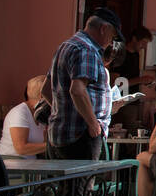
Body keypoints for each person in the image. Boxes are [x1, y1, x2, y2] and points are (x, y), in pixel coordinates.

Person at [45, 8, 123, 160]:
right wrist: (92, 123)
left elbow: (47, 90)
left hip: (58, 135)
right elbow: (77, 90)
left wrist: (63, 110)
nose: (110, 43)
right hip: (80, 137)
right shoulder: (87, 50)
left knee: (65, 184)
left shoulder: (65, 46)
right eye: (112, 36)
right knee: (81, 183)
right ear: (103, 29)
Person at [0, 75, 49, 160]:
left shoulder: (41, 114)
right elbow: (21, 148)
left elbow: (42, 147)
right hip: (10, 165)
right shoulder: (19, 112)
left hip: (31, 166)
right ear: (42, 96)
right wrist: (53, 146)